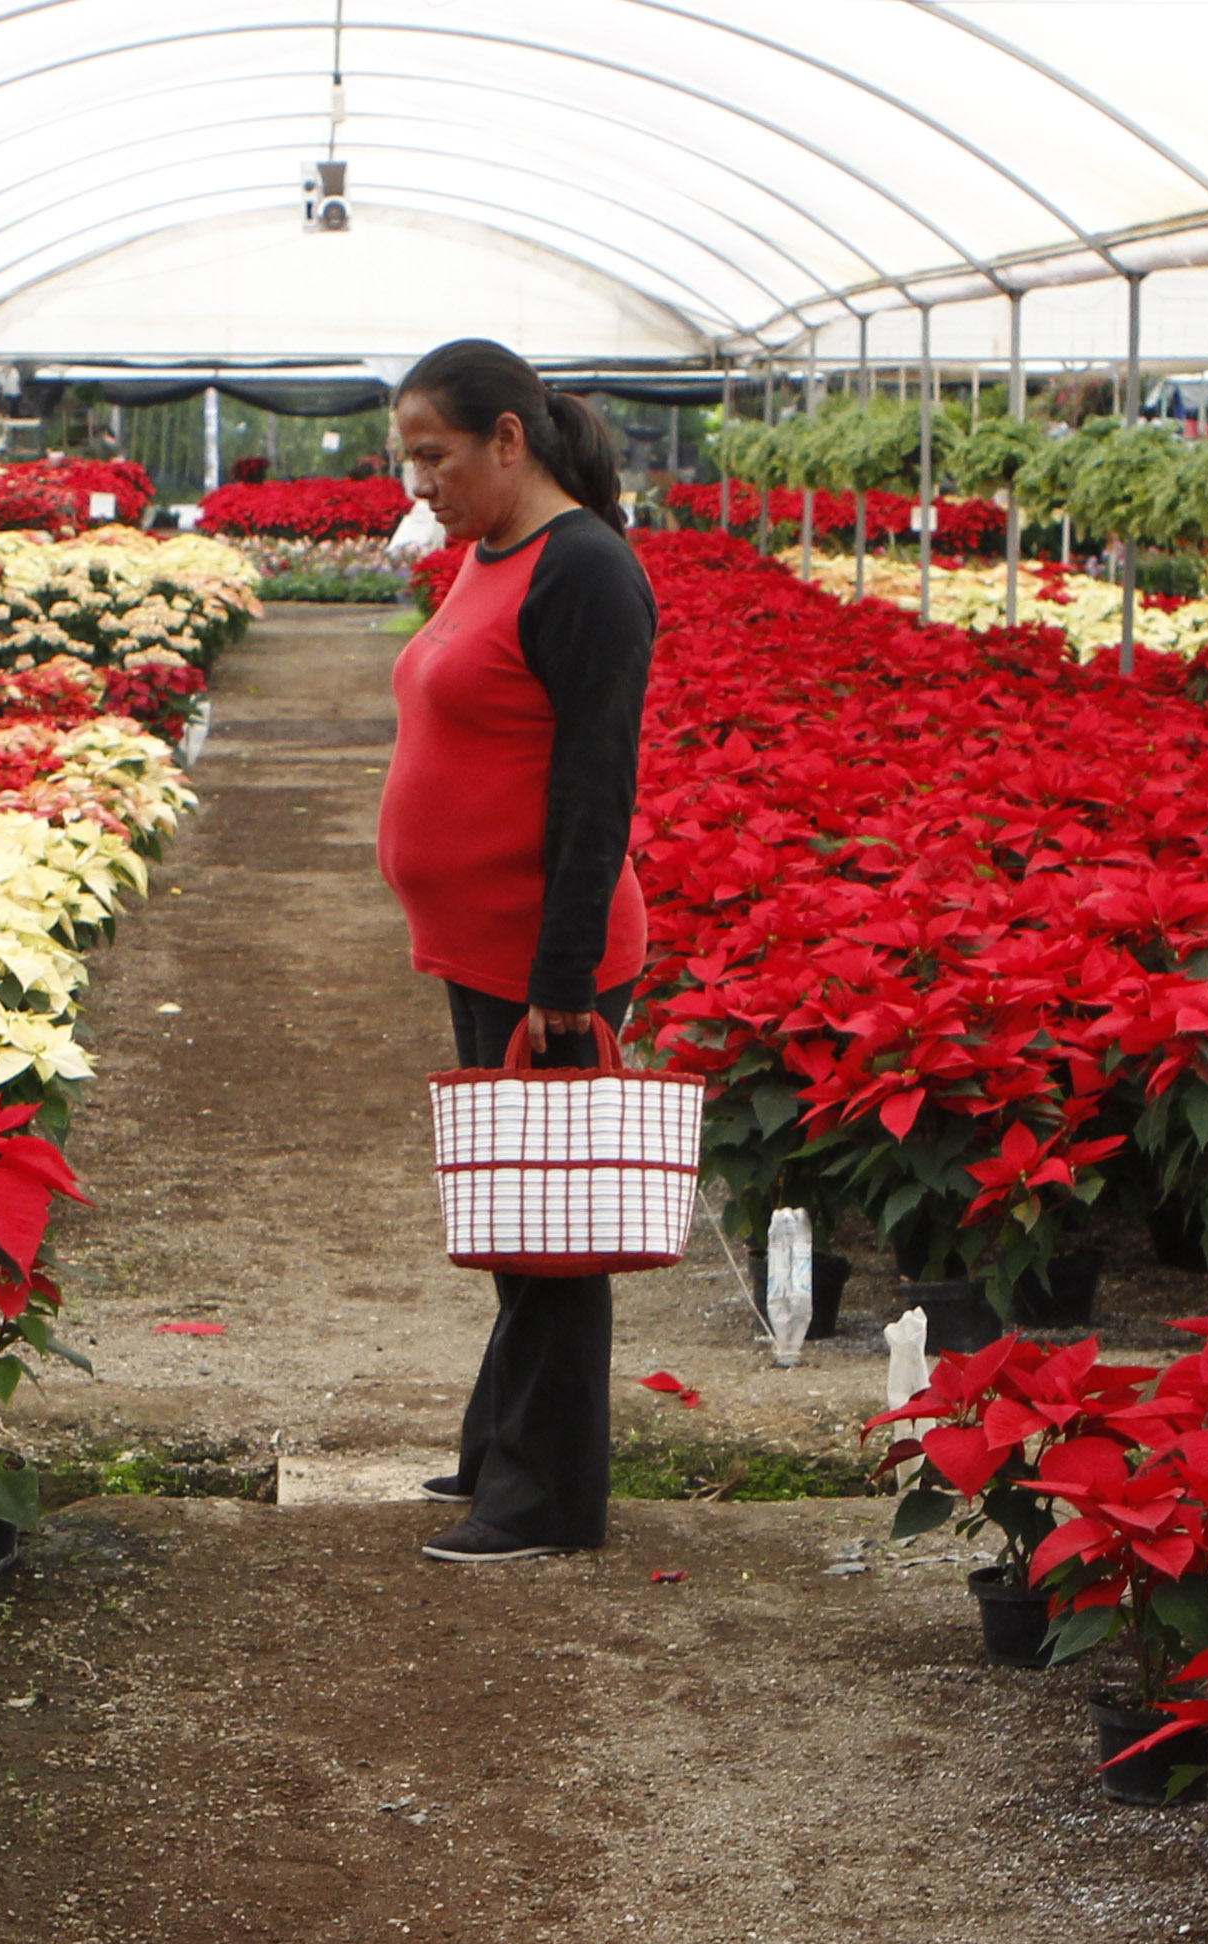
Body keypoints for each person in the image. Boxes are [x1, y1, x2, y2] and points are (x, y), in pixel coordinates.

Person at [376, 337, 655, 1565]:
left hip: (551, 960)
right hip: (484, 949)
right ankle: (503, 1447)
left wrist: (560, 983)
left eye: (433, 455)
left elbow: (599, 790)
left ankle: (547, 1500)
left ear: (507, 437)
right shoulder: (494, 554)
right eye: (407, 460)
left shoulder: (587, 569)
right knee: (516, 1207)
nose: (417, 483)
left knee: (552, 1233)